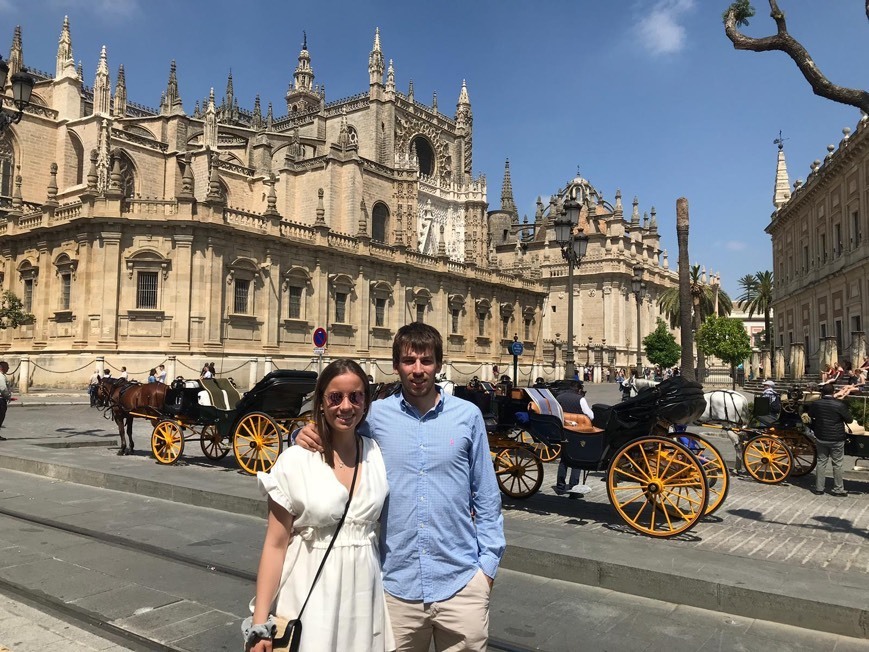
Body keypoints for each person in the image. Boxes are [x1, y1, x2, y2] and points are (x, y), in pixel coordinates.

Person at [296, 323, 504, 651]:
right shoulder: (375, 416)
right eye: (409, 361)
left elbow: (487, 495)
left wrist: (487, 568)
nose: (418, 370)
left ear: (439, 364)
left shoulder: (468, 416)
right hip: (396, 588)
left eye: (426, 361)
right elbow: (337, 426)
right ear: (396, 366)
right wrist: (304, 434)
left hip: (461, 583)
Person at [244, 359, 392, 652]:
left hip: (364, 595)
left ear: (366, 402)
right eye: (335, 397)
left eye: (356, 396)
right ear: (321, 401)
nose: (346, 406)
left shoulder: (375, 452)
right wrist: (260, 623)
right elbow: (275, 545)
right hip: (310, 593)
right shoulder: (295, 461)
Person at [804, 382, 851, 496]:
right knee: (837, 464)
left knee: (821, 462)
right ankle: (838, 489)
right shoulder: (839, 405)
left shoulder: (816, 404)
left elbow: (810, 415)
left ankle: (819, 488)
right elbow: (849, 420)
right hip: (836, 437)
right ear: (833, 392)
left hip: (821, 436)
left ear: (822, 393)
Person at [555, 382, 594, 493]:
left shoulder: (559, 397)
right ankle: (573, 485)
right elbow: (591, 415)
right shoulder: (580, 399)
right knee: (577, 458)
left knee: (564, 458)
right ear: (578, 389)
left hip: (563, 431)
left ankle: (560, 486)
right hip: (577, 432)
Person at [0, 361, 10, 438]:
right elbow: (3, 388)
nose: (8, 368)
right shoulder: (1, 376)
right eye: (7, 367)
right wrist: (8, 396)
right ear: (2, 368)